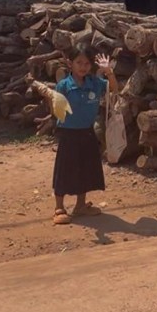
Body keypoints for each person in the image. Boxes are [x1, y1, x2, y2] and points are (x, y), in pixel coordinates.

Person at [52, 45, 118, 225]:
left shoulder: (95, 83)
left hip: (87, 132)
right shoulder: (64, 85)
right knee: (65, 170)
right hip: (69, 134)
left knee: (85, 169)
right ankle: (59, 207)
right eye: (79, 62)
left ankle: (80, 205)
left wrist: (108, 72)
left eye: (87, 63)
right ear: (70, 64)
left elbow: (114, 89)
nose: (83, 67)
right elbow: (56, 108)